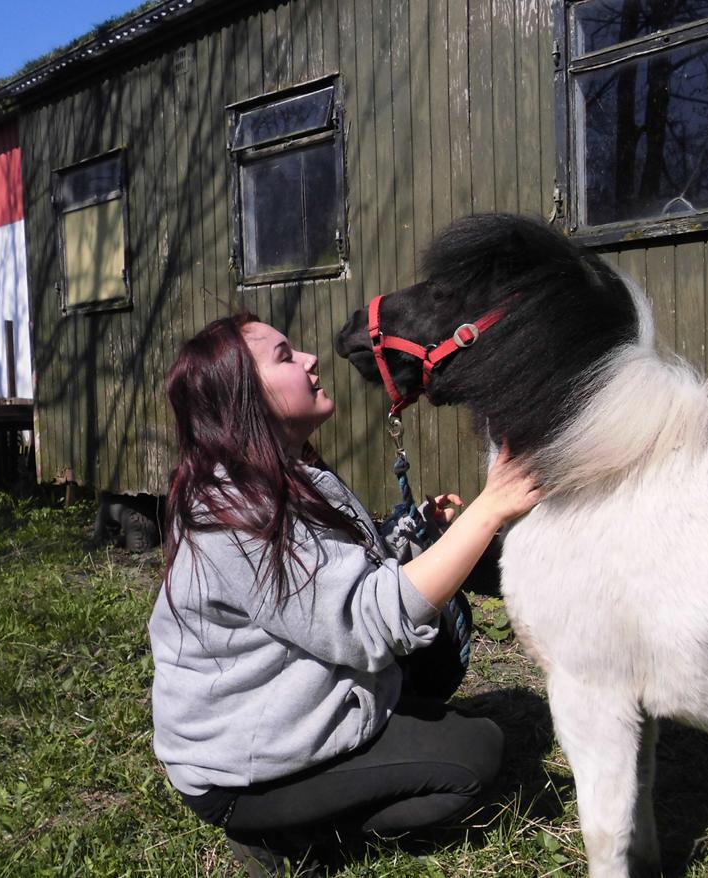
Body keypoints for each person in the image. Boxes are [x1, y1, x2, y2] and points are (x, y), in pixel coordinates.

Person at [148, 313, 543, 875]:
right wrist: (492, 507)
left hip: (294, 707)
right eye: (284, 356)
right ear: (242, 399)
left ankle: (336, 780)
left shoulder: (287, 473)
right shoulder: (233, 516)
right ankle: (287, 836)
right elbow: (366, 625)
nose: (310, 359)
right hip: (241, 768)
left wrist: (410, 531)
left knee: (437, 658)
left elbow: (341, 569)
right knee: (475, 756)